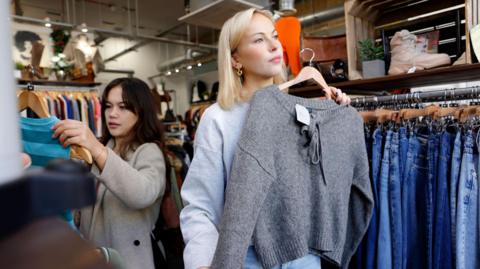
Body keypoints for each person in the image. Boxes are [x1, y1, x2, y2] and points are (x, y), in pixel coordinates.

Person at [180, 8, 351, 269]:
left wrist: (337, 120)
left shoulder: (302, 109)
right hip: (248, 258)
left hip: (303, 255)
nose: (274, 46)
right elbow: (201, 205)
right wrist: (202, 262)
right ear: (235, 59)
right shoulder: (219, 119)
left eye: (274, 36)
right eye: (259, 40)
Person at [52, 77, 167, 269]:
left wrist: (96, 149)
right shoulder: (101, 150)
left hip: (129, 261)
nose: (112, 114)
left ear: (141, 111)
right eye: (108, 106)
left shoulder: (148, 151)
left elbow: (142, 194)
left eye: (123, 107)